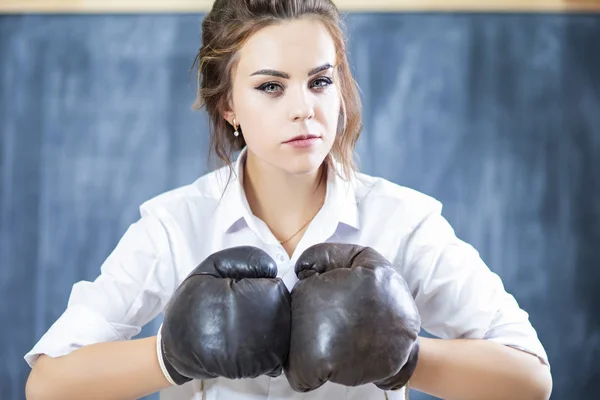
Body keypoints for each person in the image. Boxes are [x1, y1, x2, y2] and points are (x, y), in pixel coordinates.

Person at [23, 0, 553, 399]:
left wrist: (404, 356)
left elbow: (531, 377)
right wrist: (170, 354)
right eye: (271, 87)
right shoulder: (173, 225)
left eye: (320, 81)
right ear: (227, 103)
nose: (304, 109)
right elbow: (45, 384)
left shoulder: (404, 221)